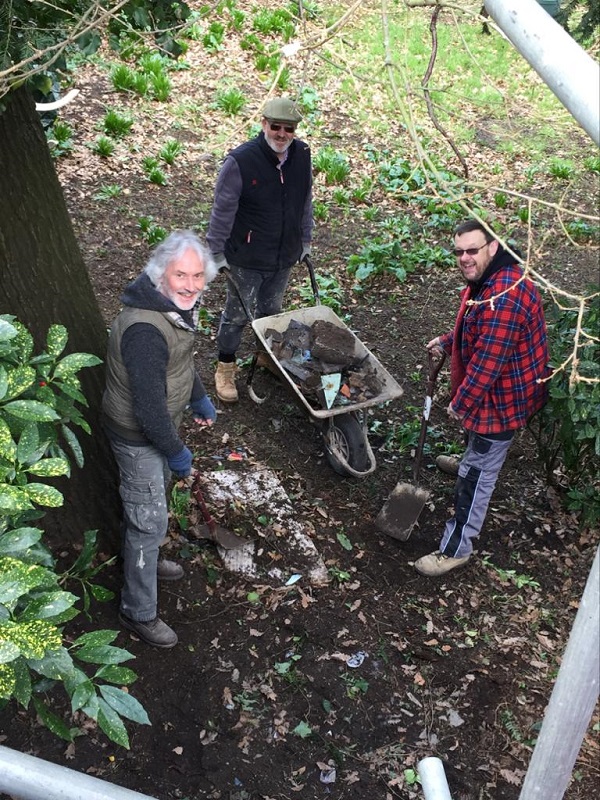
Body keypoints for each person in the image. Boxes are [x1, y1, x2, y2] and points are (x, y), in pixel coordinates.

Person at [414, 220, 549, 577]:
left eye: (472, 250)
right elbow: (477, 327)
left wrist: (461, 403)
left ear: (492, 247)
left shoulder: (505, 294)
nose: (464, 258)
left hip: (504, 399)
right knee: (474, 452)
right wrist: (449, 341)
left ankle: (456, 548)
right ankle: (469, 460)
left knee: (477, 477)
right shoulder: (488, 280)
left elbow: (488, 363)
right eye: (458, 252)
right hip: (496, 386)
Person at [103, 230, 218, 647]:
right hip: (137, 435)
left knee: (154, 504)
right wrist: (177, 451)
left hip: (157, 426)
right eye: (181, 275)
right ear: (160, 275)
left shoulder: (173, 308)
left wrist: (200, 397)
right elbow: (149, 408)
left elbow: (180, 362)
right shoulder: (145, 331)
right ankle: (138, 611)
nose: (191, 285)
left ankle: (149, 561)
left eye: (198, 275)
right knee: (146, 520)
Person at [206, 96, 314, 403]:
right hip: (247, 256)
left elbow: (305, 200)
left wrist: (304, 240)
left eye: (288, 129)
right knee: (238, 314)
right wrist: (215, 252)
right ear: (264, 124)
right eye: (276, 127)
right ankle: (226, 365)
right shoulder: (240, 162)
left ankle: (265, 355)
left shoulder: (302, 154)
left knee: (271, 311)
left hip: (283, 255)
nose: (282, 134)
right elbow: (222, 211)